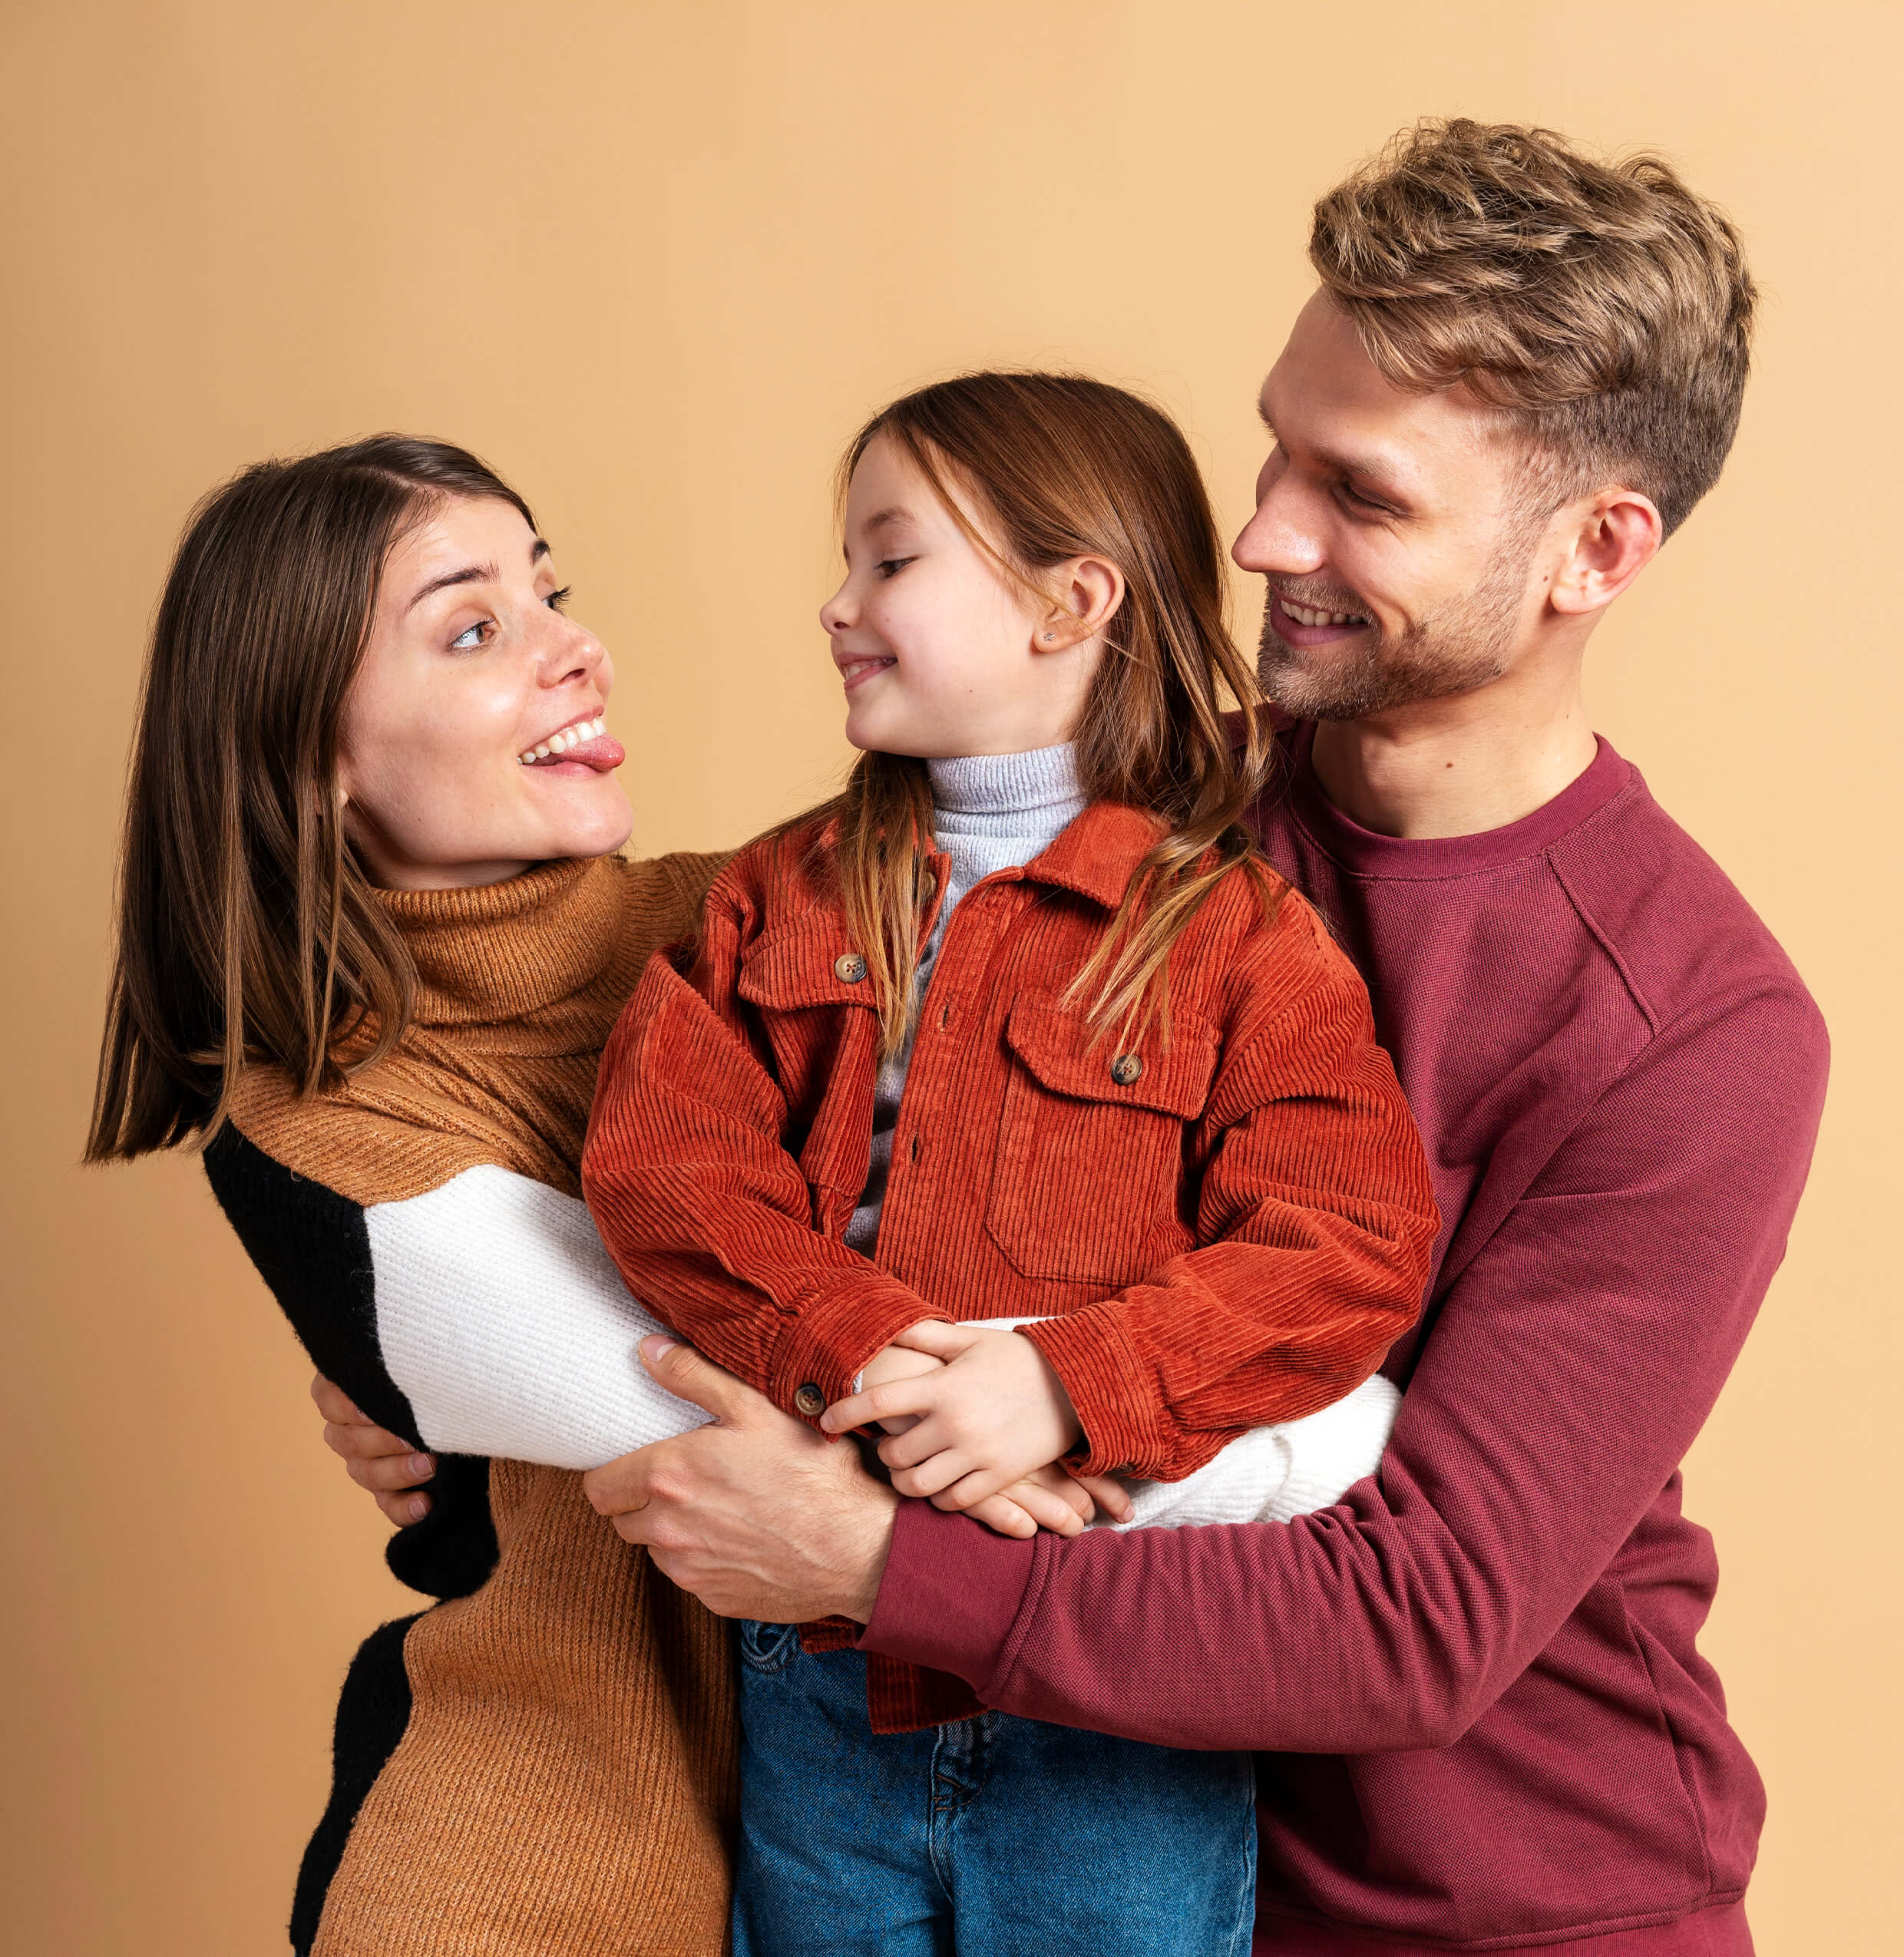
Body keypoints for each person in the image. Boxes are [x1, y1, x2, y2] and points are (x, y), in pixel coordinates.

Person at [557, 121, 1830, 1955]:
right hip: (1010, 1825)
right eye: (1274, 448)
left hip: (1483, 1907)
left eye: (1364, 497)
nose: (1259, 535)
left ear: (1592, 550)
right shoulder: (1118, 819)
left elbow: (1421, 1620)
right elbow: (773, 1118)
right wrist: (449, 1364)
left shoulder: (1692, 1027)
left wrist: (869, 1568)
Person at [578, 372, 1440, 1954]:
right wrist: (872, 1353)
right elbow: (664, 1173)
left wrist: (1065, 1383)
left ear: (1069, 601)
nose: (836, 605)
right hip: (818, 1664)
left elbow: (1347, 1245)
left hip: (1118, 1709)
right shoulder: (774, 902)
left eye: (889, 558)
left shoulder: (1236, 937)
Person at [85, 437, 742, 1955]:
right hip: (528, 1867)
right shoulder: (311, 1127)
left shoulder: (766, 917)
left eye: (552, 592)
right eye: (475, 628)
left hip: (897, 1830)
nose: (581, 653)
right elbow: (734, 1429)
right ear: (313, 751)